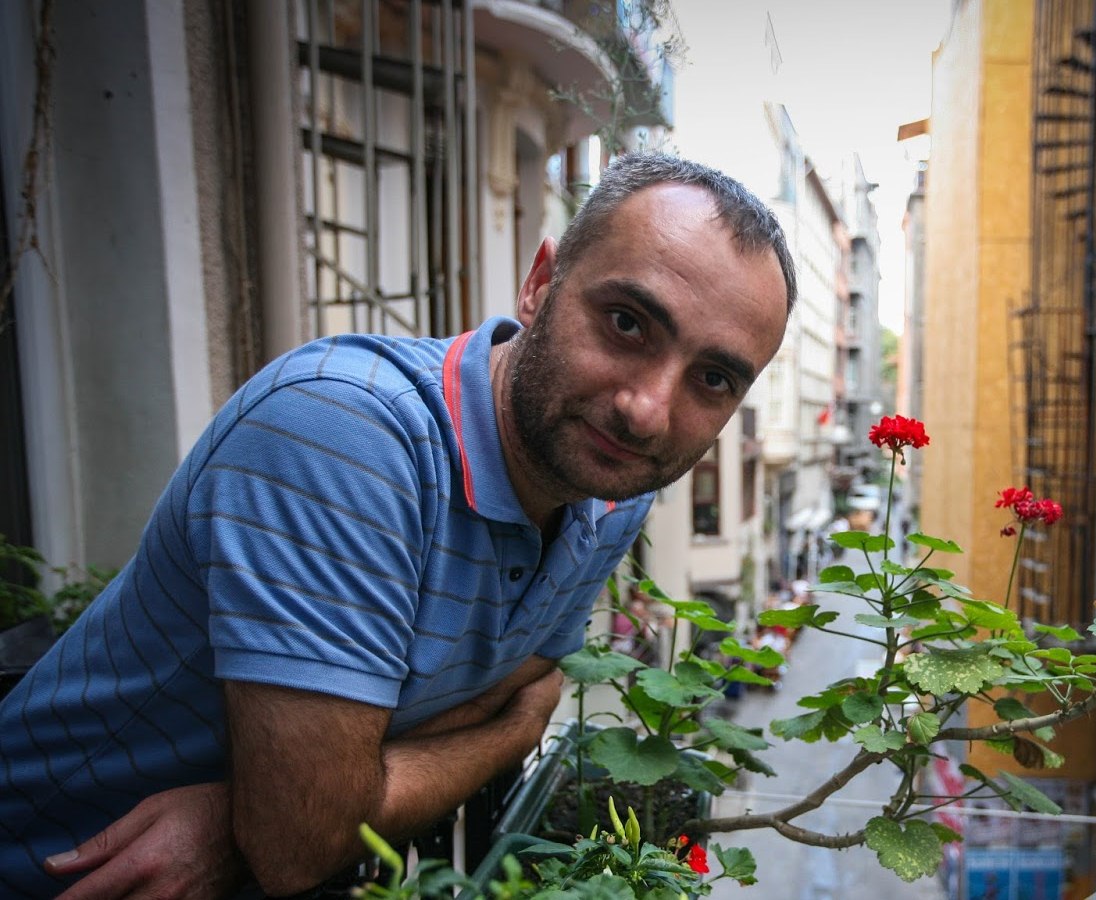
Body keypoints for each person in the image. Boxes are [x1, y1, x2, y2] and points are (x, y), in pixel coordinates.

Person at [0, 154, 796, 898]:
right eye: (627, 322)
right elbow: (301, 842)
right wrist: (515, 730)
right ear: (540, 283)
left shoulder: (610, 483)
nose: (648, 411)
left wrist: (247, 808)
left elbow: (492, 694)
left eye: (714, 377)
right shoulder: (342, 435)